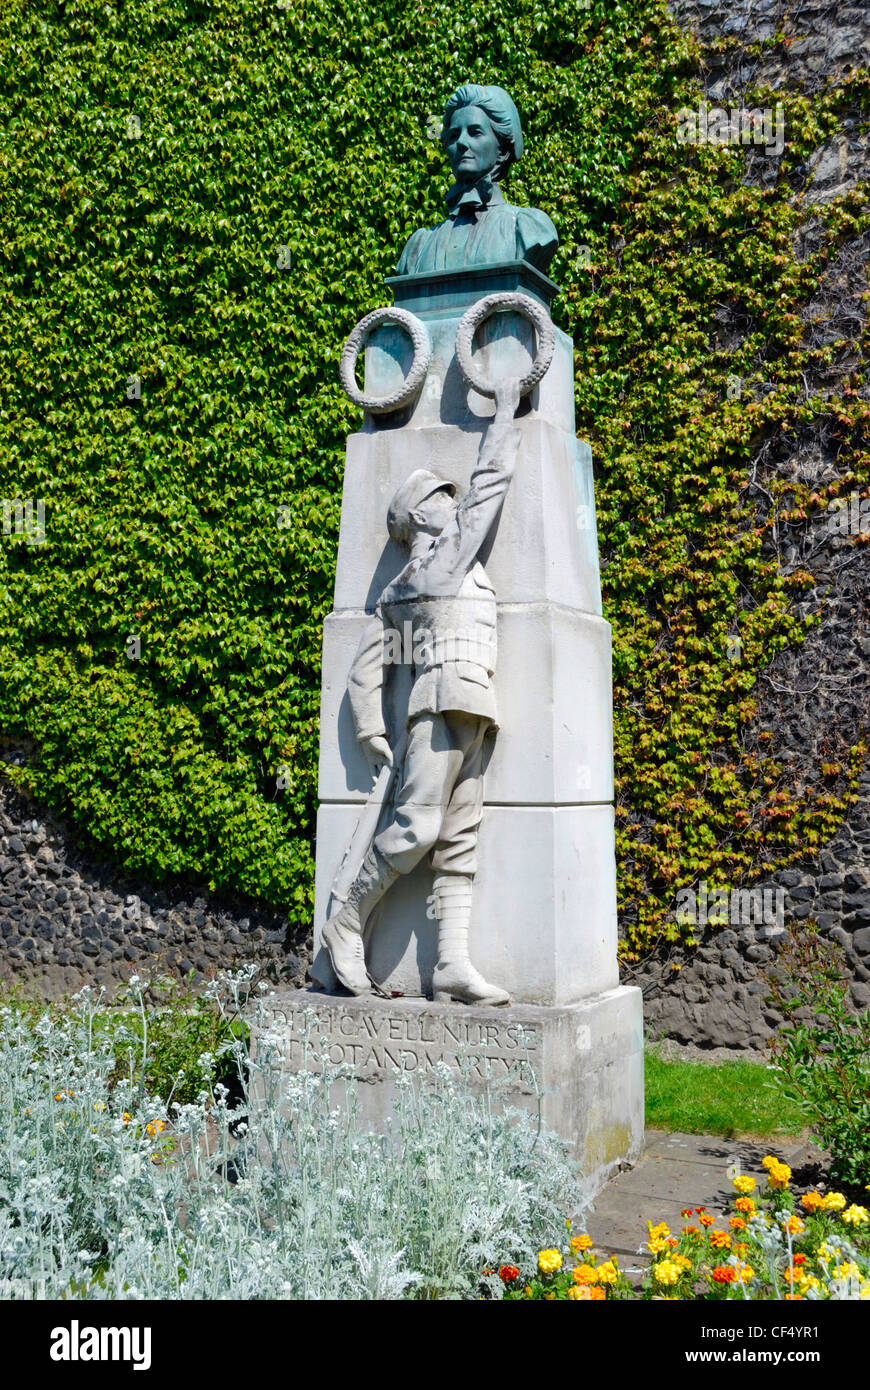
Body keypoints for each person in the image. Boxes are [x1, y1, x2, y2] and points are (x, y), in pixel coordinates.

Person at [321, 377, 523, 1004]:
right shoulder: (437, 564)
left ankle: (451, 966)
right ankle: (346, 922)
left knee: (459, 837)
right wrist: (506, 414)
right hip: (439, 706)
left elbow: (367, 668)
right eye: (439, 495)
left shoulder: (413, 581)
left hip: (470, 705)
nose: (451, 499)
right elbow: (488, 489)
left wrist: (370, 729)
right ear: (418, 517)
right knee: (417, 828)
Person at [396, 83, 558, 277]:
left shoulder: (528, 229)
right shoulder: (419, 247)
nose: (462, 142)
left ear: (503, 150)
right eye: (454, 135)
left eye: (475, 132)